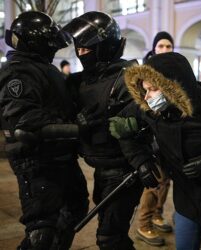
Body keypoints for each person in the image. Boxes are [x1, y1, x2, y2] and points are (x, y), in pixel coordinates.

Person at [109, 52, 201, 250]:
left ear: (172, 86)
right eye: (145, 90)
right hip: (187, 200)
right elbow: (121, 128)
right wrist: (141, 161)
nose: (147, 97)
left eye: (153, 89)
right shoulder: (151, 109)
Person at [0, 11, 89, 250]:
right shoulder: (19, 71)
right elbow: (24, 120)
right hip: (37, 162)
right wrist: (76, 128)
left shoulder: (40, 68)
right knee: (42, 232)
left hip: (59, 158)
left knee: (74, 211)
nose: (54, 49)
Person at [63, 11, 145, 249]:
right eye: (78, 49)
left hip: (124, 170)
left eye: (86, 49)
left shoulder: (128, 79)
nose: (80, 54)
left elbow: (136, 127)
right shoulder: (81, 82)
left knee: (110, 238)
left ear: (105, 47)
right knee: (111, 234)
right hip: (101, 166)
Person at [137, 31, 174, 246]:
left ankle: (157, 214)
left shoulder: (174, 70)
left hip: (169, 134)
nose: (165, 50)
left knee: (166, 181)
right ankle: (143, 224)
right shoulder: (145, 72)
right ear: (153, 48)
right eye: (161, 46)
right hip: (152, 135)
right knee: (154, 182)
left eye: (168, 46)